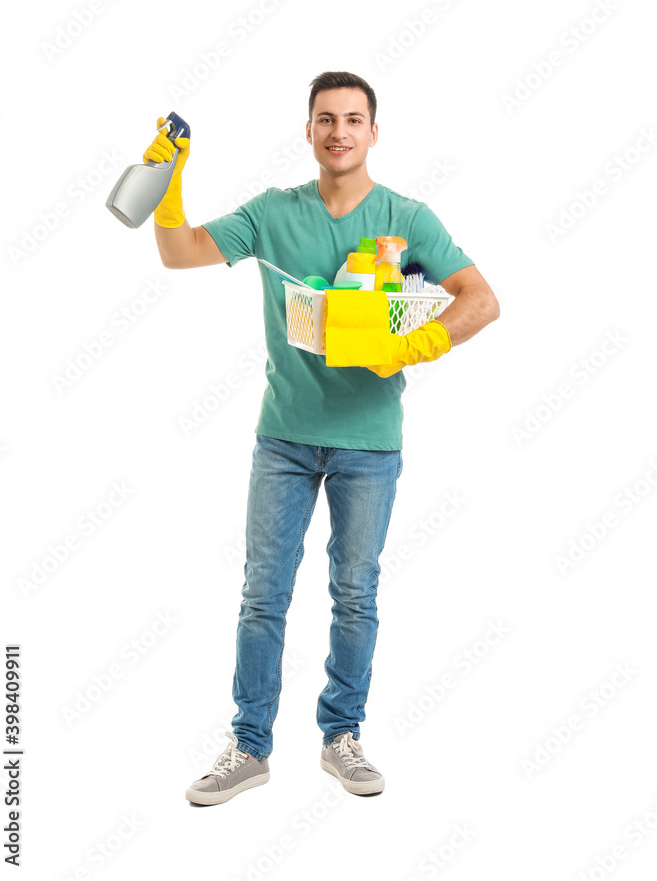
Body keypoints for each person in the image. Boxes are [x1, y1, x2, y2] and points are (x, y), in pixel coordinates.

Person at [148, 71, 500, 805]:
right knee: (261, 596)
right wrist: (168, 181)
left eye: (353, 118)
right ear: (306, 131)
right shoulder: (274, 214)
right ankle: (249, 747)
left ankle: (341, 737)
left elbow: (482, 299)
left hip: (368, 443)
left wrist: (416, 345)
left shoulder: (407, 218)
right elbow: (179, 253)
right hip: (282, 438)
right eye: (324, 119)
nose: (338, 130)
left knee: (353, 594)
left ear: (374, 133)